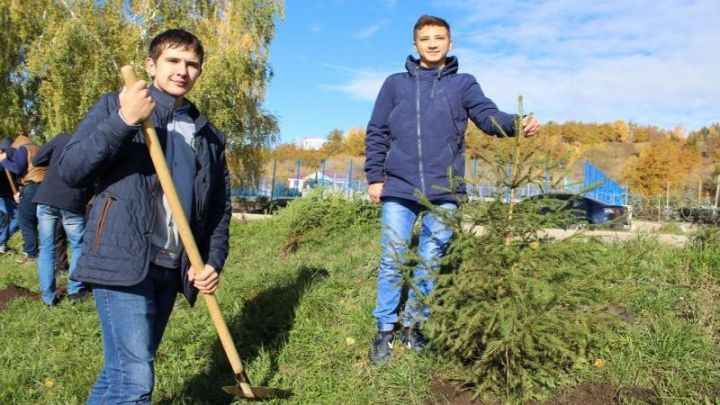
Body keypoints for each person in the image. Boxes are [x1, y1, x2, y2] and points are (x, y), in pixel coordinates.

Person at [58, 28, 231, 403]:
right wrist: (125, 120)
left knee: (121, 372)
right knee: (135, 382)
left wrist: (211, 260)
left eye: (192, 64)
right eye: (173, 61)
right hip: (122, 262)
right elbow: (71, 170)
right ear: (151, 65)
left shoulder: (207, 135)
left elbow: (219, 208)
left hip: (171, 269)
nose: (182, 71)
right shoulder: (113, 106)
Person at [364, 15, 539, 364]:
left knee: (430, 262)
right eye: (425, 38)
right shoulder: (395, 84)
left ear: (450, 43)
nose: (432, 43)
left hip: (446, 190)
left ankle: (414, 326)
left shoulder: (463, 85)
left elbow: (487, 115)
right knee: (392, 261)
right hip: (398, 187)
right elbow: (377, 132)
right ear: (414, 45)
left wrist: (515, 123)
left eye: (439, 37)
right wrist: (375, 177)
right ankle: (384, 330)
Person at [32, 132, 92, 306]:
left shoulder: (62, 138)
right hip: (72, 199)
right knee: (79, 245)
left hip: (46, 197)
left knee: (46, 248)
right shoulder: (95, 142)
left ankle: (48, 298)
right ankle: (75, 291)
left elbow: (37, 160)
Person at [0, 134, 47, 263]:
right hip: (43, 186)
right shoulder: (37, 148)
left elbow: (17, 169)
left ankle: (30, 253)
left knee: (24, 220)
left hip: (31, 186)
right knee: (37, 220)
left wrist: (4, 160)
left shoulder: (23, 149)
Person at [0, 138, 19, 254]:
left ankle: (2, 246)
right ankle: (1, 241)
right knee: (19, 217)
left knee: (1, 222)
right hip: (1, 196)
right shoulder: (3, 159)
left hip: (7, 195)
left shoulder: (9, 160)